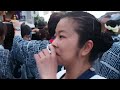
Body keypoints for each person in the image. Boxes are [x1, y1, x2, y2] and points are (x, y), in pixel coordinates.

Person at [34, 11, 113, 79]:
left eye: (61, 36)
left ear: (86, 47)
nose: (53, 43)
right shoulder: (59, 74)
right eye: (55, 36)